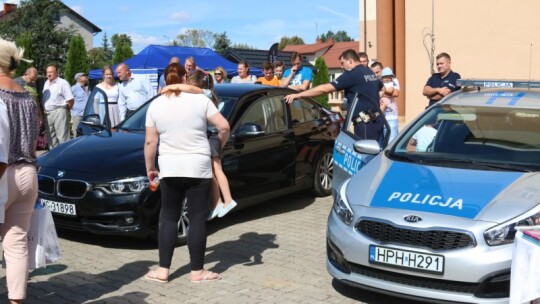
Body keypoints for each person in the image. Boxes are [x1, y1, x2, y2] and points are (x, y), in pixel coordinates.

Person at [144, 63, 230, 283]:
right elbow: (224, 127)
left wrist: (150, 168)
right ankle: (197, 271)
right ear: (185, 77)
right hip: (198, 167)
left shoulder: (155, 105)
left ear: (164, 80)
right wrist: (217, 148)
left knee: (169, 217)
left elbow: (150, 141)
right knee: (197, 219)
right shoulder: (201, 100)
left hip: (169, 167)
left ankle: (163, 271)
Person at [0, 37, 40, 304]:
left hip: (4, 173)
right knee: (17, 243)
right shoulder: (26, 95)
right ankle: (17, 301)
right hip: (28, 172)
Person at [285, 49, 383, 140]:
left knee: (366, 157)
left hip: (365, 125)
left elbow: (324, 89)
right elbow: (382, 88)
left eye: (342, 63)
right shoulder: (369, 72)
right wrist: (374, 102)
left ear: (350, 61)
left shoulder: (352, 74)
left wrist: (299, 95)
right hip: (378, 121)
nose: (341, 66)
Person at [42, 64, 74, 148]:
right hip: (48, 113)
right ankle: (54, 159)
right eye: (47, 72)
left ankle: (65, 158)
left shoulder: (63, 83)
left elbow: (70, 100)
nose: (49, 74)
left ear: (57, 73)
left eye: (51, 72)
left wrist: (65, 111)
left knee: (62, 138)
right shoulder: (46, 83)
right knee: (51, 139)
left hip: (59, 111)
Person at [380, 67, 400, 142]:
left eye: (389, 77)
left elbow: (393, 92)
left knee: (390, 142)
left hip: (391, 117)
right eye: (385, 77)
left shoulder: (392, 83)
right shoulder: (380, 83)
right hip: (381, 117)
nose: (387, 79)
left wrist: (381, 92)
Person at [70, 72, 90, 137]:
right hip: (77, 115)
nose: (86, 76)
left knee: (86, 134)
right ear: (79, 78)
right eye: (84, 75)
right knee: (76, 134)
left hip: (87, 115)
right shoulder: (74, 88)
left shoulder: (88, 88)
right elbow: (68, 100)